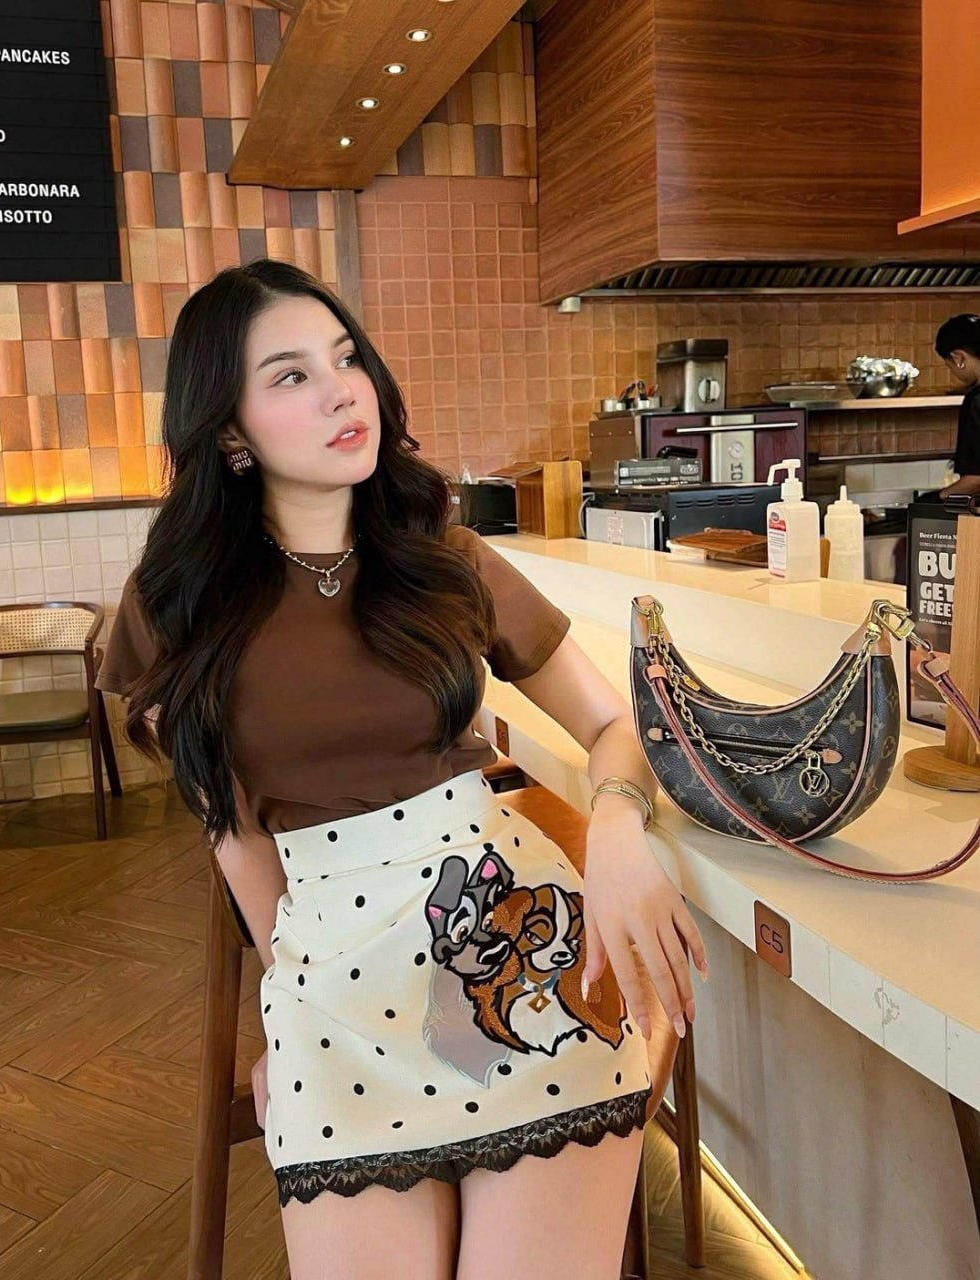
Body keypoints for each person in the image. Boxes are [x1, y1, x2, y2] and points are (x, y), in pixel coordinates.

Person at [95, 259, 706, 1280]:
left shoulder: (445, 560)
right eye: (290, 375)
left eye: (346, 359)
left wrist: (612, 830)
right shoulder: (176, 602)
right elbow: (233, 828)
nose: (342, 391)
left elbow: (617, 722)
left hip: (511, 956)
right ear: (230, 432)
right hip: (330, 985)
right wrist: (284, 1003)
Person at [935, 313, 980, 498]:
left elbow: (977, 478)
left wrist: (939, 498)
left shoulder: (977, 401)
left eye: (949, 366)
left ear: (959, 357)